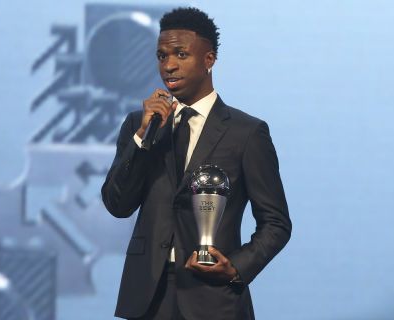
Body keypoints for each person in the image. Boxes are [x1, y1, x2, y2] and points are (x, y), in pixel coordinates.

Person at [101, 7, 291, 320]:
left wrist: (235, 267)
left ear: (209, 60)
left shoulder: (246, 133)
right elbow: (117, 204)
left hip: (214, 299)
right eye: (161, 56)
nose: (169, 65)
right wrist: (142, 138)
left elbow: (276, 223)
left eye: (180, 54)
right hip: (148, 298)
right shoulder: (142, 124)